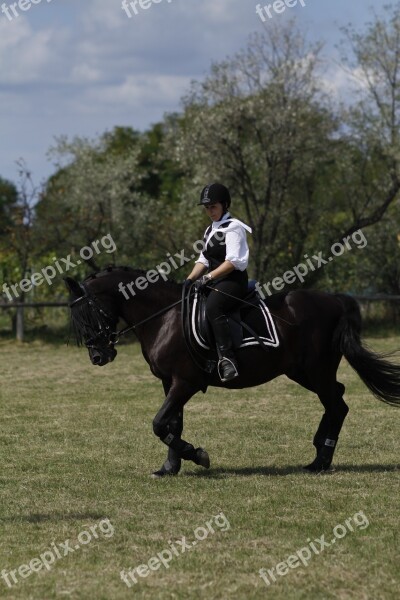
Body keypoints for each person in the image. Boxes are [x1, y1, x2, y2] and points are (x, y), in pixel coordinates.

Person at [186, 182, 252, 382]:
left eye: (213, 207)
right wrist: (189, 280)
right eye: (207, 208)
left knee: (213, 306)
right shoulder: (210, 230)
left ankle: (227, 359)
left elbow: (232, 262)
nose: (210, 211)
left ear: (225, 205)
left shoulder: (233, 228)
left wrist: (207, 277)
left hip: (233, 281)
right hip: (215, 281)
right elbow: (203, 259)